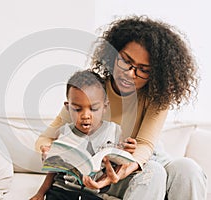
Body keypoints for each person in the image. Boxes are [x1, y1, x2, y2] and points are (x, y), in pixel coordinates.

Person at [35, 16, 207, 199]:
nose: (130, 74)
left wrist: (116, 175)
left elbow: (145, 146)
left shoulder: (157, 98)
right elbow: (44, 139)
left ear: (155, 73)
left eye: (143, 69)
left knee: (188, 169)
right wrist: (48, 150)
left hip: (147, 161)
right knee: (153, 172)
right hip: (116, 171)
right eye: (126, 61)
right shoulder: (92, 91)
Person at [30, 70, 137, 200]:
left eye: (93, 108)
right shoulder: (64, 132)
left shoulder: (114, 131)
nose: (86, 116)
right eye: (77, 109)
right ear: (68, 107)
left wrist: (127, 150)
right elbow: (53, 170)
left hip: (93, 192)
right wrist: (40, 193)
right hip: (61, 190)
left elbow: (121, 161)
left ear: (105, 107)